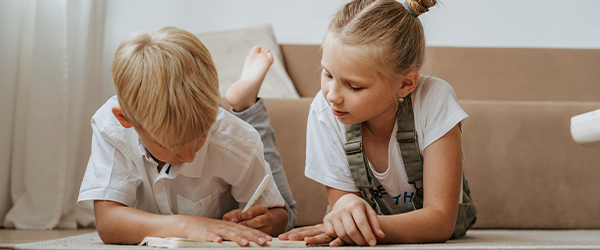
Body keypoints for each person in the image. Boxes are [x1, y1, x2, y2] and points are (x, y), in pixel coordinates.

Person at [278, 0, 476, 246]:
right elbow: (343, 203)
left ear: (405, 84)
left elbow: (440, 221)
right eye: (327, 74)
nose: (332, 95)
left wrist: (358, 228)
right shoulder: (324, 109)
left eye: (354, 86)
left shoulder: (434, 99)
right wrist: (346, 210)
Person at [77, 26, 296, 247]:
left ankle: (247, 106)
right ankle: (245, 104)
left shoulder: (237, 140)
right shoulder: (111, 128)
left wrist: (266, 221)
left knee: (290, 208)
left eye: (202, 135)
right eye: (171, 145)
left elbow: (279, 215)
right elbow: (108, 223)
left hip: (238, 138)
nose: (190, 156)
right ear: (126, 120)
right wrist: (187, 225)